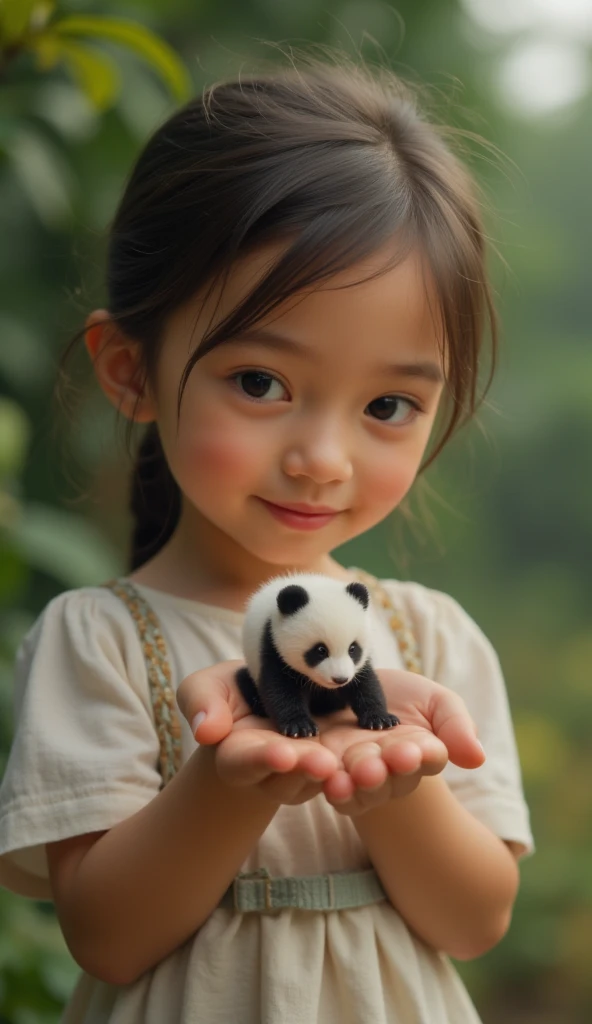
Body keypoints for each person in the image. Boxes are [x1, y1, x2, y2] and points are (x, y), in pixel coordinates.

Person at [0, 57, 533, 1024]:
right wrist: (231, 778)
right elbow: (108, 936)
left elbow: (475, 920)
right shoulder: (101, 640)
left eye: (387, 404)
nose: (322, 458)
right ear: (130, 369)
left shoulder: (426, 643)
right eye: (260, 383)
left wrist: (397, 782)